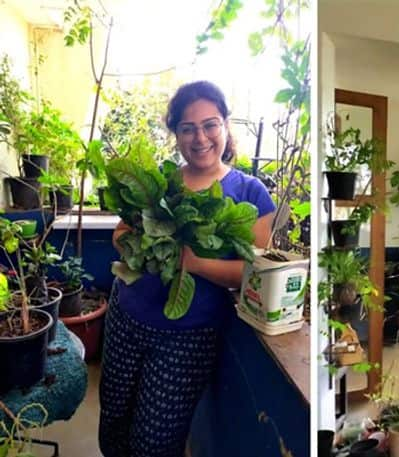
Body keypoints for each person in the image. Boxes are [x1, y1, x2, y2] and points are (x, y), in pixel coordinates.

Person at [98, 80, 275, 457]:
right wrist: (143, 246)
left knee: (154, 444)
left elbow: (253, 273)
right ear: (176, 134)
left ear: (225, 125)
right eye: (188, 128)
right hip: (126, 318)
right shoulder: (161, 183)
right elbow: (120, 235)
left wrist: (190, 262)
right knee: (113, 423)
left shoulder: (251, 192)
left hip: (187, 337)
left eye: (210, 124)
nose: (200, 138)